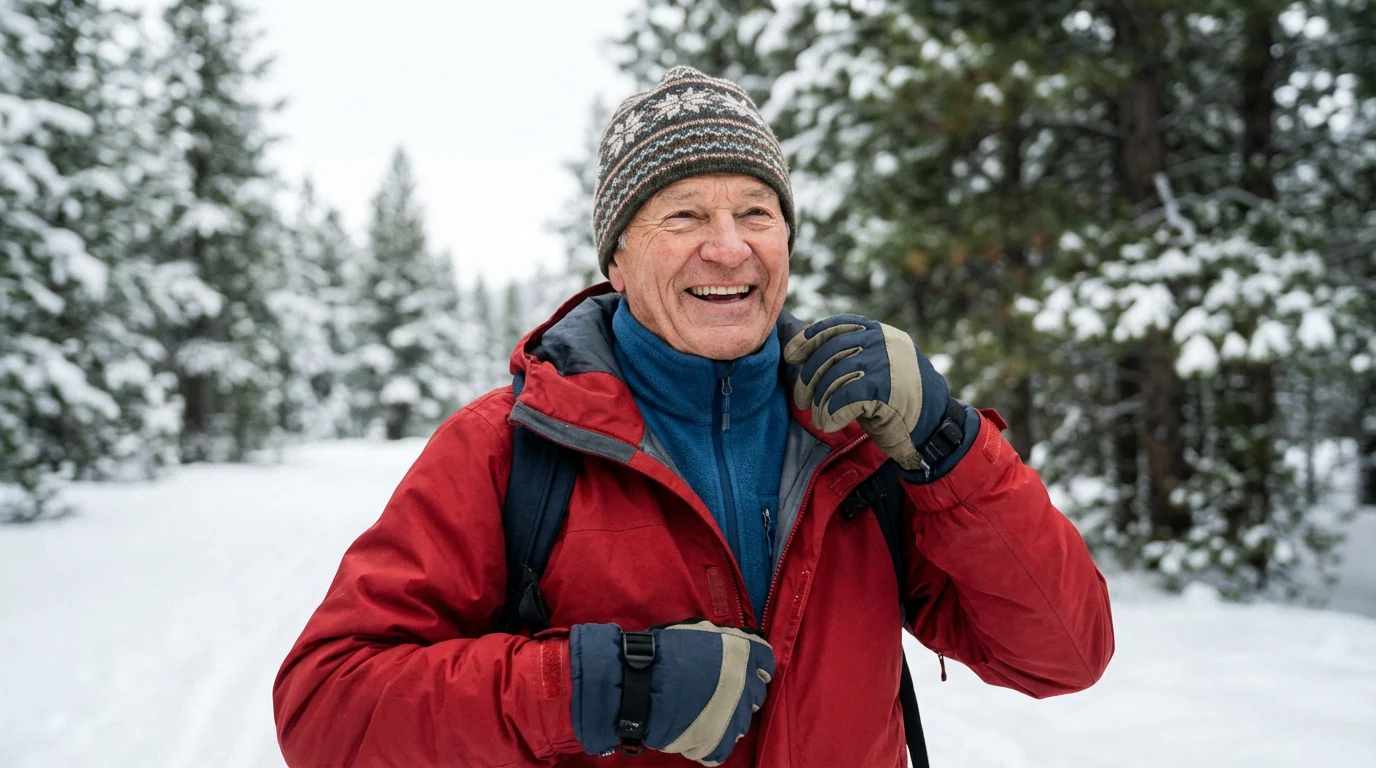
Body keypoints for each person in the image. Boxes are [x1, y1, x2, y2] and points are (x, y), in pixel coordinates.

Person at [273, 66, 1114, 768]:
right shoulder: (508, 447)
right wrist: (596, 687)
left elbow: (1065, 656)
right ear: (617, 256)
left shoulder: (860, 436)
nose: (728, 246)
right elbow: (325, 706)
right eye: (683, 215)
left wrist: (949, 444)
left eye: (756, 212)